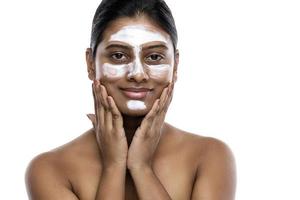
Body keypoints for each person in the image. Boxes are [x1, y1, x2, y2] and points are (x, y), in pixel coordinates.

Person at [25, 0, 236, 199]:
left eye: (154, 57)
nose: (137, 73)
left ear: (176, 66)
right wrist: (114, 165)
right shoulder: (50, 169)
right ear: (90, 64)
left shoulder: (210, 157)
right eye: (118, 55)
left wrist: (141, 167)